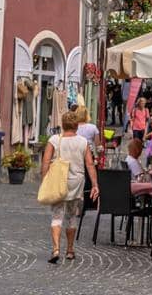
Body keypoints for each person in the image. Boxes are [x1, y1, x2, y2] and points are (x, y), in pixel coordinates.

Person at [42, 109, 99, 264]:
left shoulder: (54, 140)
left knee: (57, 215)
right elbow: (89, 164)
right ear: (76, 126)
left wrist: (44, 180)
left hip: (58, 181)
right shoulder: (82, 142)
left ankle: (55, 249)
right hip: (76, 182)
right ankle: (70, 250)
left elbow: (46, 161)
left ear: (63, 125)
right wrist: (95, 184)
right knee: (72, 216)